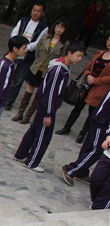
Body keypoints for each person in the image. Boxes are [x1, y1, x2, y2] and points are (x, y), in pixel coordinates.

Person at [14, 42, 86, 172]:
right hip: (47, 107)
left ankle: (20, 153)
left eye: (81, 56)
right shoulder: (59, 70)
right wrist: (48, 113)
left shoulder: (63, 67)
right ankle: (32, 162)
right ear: (70, 53)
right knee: (43, 135)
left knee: (34, 130)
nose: (79, 59)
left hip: (45, 105)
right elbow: (51, 92)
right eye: (78, 55)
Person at [11, 18, 69, 124]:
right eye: (58, 26)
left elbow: (62, 58)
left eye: (62, 27)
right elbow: (37, 50)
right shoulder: (46, 37)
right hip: (37, 67)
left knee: (40, 93)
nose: (59, 29)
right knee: (29, 89)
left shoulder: (64, 44)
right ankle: (20, 112)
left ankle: (28, 115)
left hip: (48, 71)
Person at [56, 35, 110, 141]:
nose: (109, 42)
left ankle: (83, 133)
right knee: (78, 107)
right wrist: (88, 75)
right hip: (87, 85)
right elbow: (87, 68)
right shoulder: (99, 54)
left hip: (99, 89)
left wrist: (96, 80)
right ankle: (67, 127)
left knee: (92, 112)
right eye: (108, 39)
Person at [61, 90, 110, 187]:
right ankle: (71, 170)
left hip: (101, 119)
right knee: (96, 150)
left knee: (89, 146)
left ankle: (82, 172)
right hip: (102, 121)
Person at [4, 3, 48, 110]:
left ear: (42, 13)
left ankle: (9, 101)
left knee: (18, 81)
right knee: (7, 76)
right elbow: (14, 32)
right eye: (34, 10)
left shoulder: (43, 27)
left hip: (27, 58)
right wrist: (17, 44)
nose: (35, 13)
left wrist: (25, 48)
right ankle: (1, 95)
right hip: (15, 53)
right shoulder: (23, 20)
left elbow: (38, 43)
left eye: (38, 11)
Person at [89, 133, 110, 210]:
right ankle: (98, 203)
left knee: (108, 190)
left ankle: (98, 209)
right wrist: (108, 137)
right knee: (95, 179)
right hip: (108, 155)